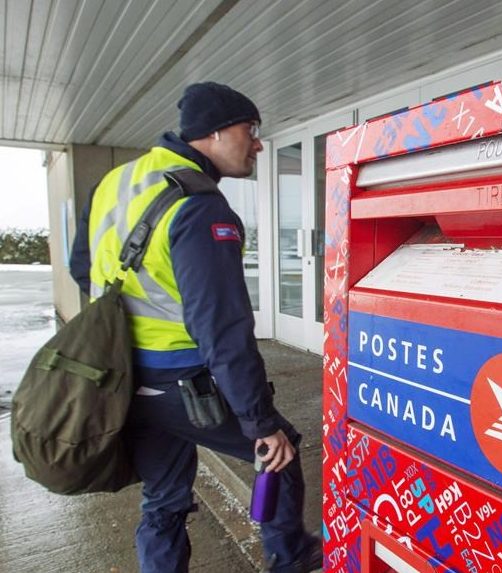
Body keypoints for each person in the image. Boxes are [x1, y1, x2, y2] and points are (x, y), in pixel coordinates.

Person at [69, 82, 321, 573]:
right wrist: (260, 421)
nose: (258, 143)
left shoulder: (117, 181)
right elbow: (222, 328)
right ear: (215, 133)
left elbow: (84, 270)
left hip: (123, 376)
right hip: (181, 379)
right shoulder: (199, 203)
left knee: (163, 500)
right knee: (280, 453)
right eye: (250, 130)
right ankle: (290, 557)